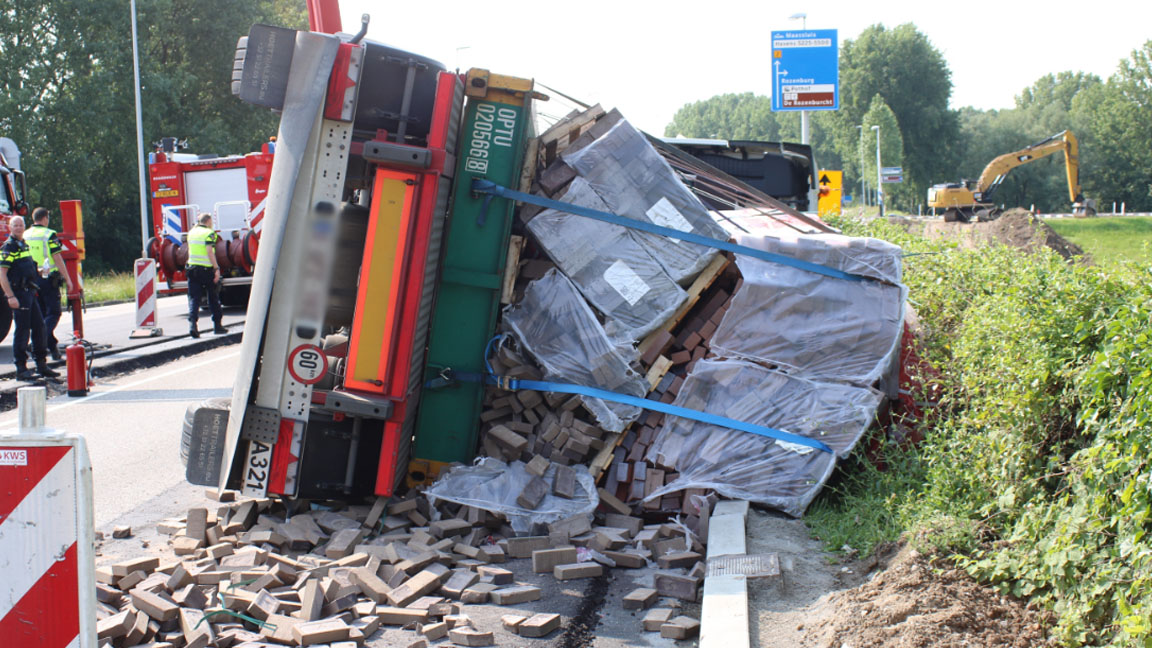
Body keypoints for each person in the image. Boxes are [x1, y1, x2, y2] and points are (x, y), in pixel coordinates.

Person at [0, 216, 59, 380]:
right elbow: (2, 274)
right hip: (19, 294)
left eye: (21, 225)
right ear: (10, 228)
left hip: (30, 293)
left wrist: (42, 271)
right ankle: (21, 368)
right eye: (15, 225)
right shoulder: (9, 247)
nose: (18, 228)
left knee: (39, 328)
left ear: (24, 227)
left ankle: (41, 365)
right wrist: (10, 296)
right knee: (22, 330)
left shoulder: (23, 245)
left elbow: (28, 268)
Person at [25, 207, 77, 360]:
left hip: (31, 280)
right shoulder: (49, 234)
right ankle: (41, 340)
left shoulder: (25, 234)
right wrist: (68, 278)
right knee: (53, 313)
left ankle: (53, 349)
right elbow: (58, 258)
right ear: (45, 218)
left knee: (40, 315)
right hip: (48, 279)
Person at [185, 212, 225, 338]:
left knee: (194, 298)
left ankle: (193, 326)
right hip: (206, 270)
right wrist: (216, 268)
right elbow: (209, 252)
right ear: (208, 221)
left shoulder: (191, 233)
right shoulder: (210, 233)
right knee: (213, 297)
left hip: (192, 269)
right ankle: (217, 326)